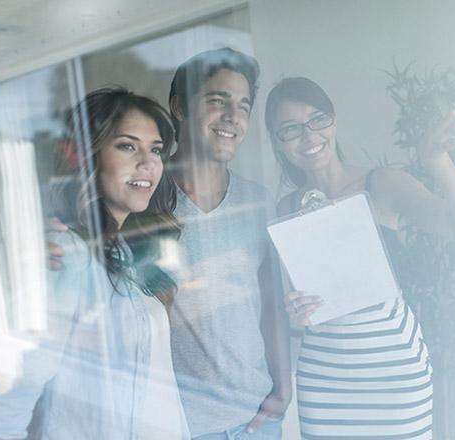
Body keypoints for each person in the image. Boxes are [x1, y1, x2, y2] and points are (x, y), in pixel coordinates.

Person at [264, 77, 455, 439]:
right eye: (290, 129)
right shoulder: (286, 209)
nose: (308, 136)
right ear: (279, 143)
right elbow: (297, 319)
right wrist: (299, 315)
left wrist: (438, 161)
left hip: (393, 370)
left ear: (334, 121)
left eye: (317, 120)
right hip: (323, 376)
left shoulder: (382, 184)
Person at [0, 87, 190, 440]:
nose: (148, 162)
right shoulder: (65, 254)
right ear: (88, 157)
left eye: (156, 149)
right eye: (128, 146)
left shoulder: (126, 252)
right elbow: (0, 413)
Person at [165, 48, 291, 439]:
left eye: (243, 106)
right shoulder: (147, 199)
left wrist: (282, 387)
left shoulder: (258, 202)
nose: (233, 118)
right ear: (179, 107)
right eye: (217, 101)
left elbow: (271, 303)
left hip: (258, 420)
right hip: (182, 425)